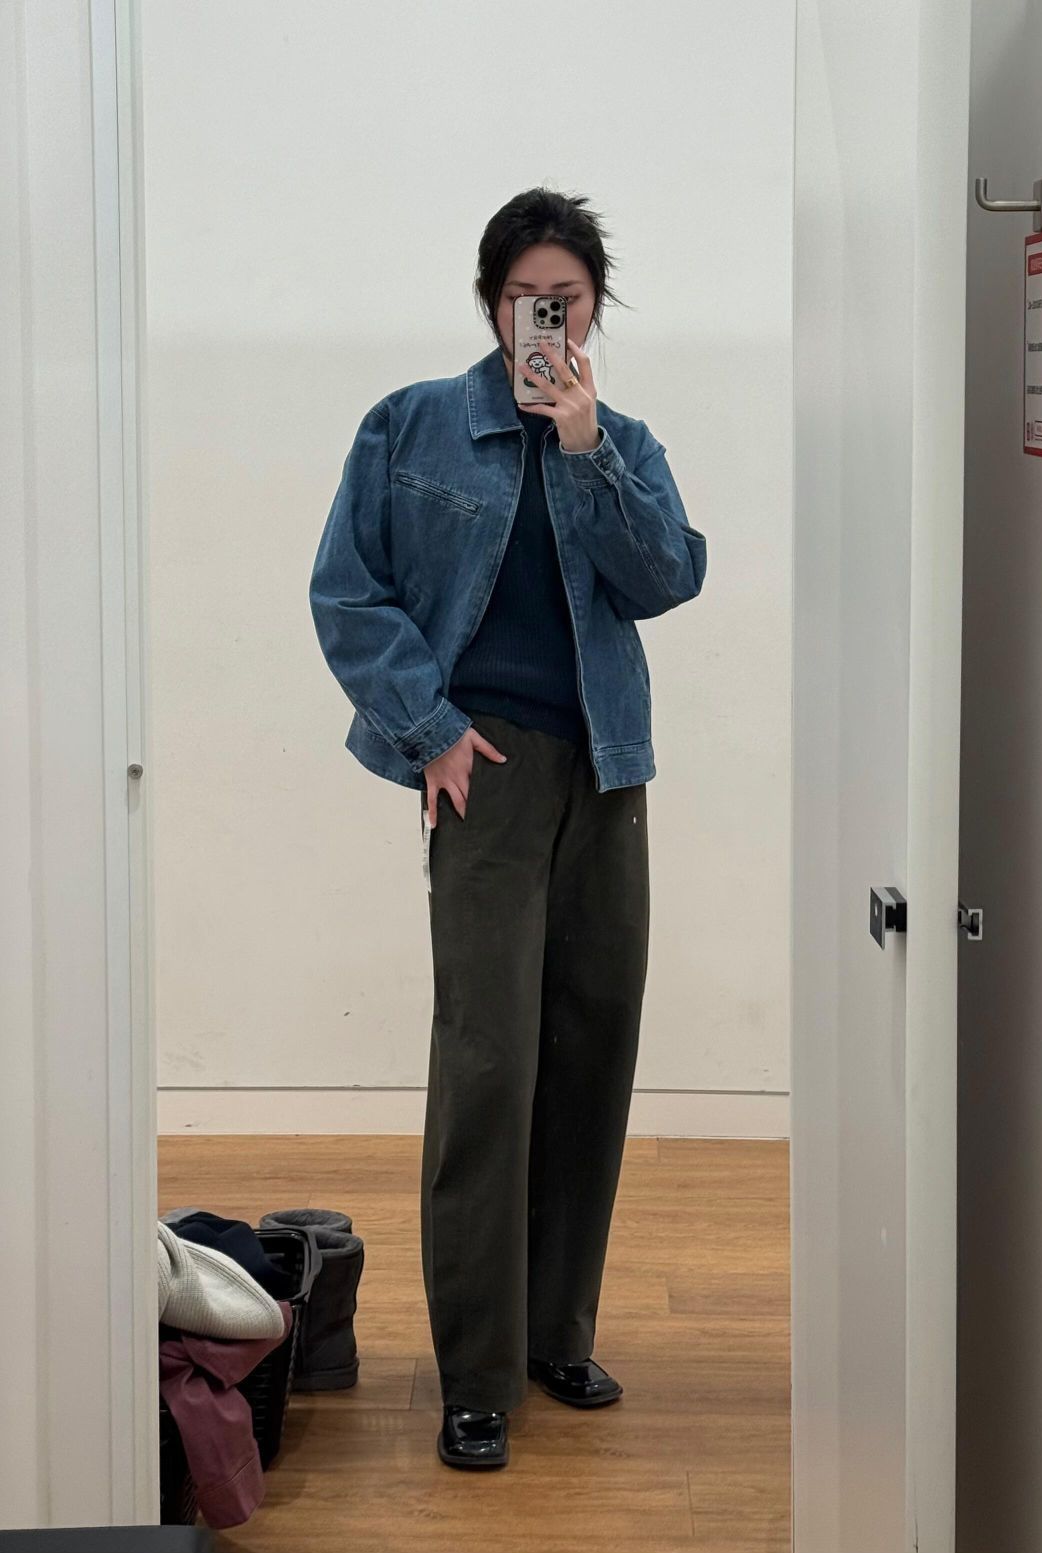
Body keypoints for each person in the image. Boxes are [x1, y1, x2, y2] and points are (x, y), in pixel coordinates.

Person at [309, 186, 707, 1469]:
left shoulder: (622, 441)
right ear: (492, 304)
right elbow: (347, 590)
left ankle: (553, 1333)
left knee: (589, 1050)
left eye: (568, 302)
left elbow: (668, 576)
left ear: (593, 310)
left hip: (609, 769)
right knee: (488, 1063)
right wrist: (427, 729)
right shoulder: (413, 424)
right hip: (484, 771)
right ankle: (476, 1372)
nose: (548, 321)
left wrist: (586, 449)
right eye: (528, 299)